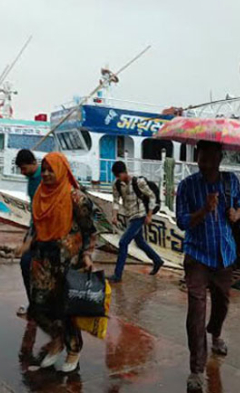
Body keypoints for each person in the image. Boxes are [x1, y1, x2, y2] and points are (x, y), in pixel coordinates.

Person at [175, 140, 240, 392]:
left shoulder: (231, 182)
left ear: (220, 158)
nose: (206, 164)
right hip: (197, 256)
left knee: (222, 303)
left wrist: (236, 213)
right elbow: (182, 222)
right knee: (196, 309)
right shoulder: (187, 186)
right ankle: (196, 369)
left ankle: (215, 333)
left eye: (211, 159)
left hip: (225, 255)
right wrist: (204, 210)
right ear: (197, 158)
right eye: (202, 159)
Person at [29, 152, 97, 373]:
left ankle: (74, 347)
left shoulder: (77, 198)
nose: (47, 174)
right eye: (44, 169)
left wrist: (87, 254)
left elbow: (91, 231)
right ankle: (57, 340)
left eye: (52, 169)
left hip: (69, 261)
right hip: (42, 259)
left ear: (62, 170)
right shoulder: (40, 195)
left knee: (66, 308)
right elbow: (35, 226)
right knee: (38, 305)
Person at [108, 161, 163, 283]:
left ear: (125, 172)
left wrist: (149, 215)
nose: (118, 178)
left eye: (119, 175)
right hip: (130, 216)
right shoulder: (116, 185)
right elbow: (116, 201)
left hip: (140, 215)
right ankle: (157, 260)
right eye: (116, 176)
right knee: (140, 241)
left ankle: (117, 275)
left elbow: (152, 196)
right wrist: (114, 216)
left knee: (123, 242)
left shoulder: (138, 182)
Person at [15, 149, 42, 319]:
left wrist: (30, 241)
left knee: (29, 263)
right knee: (26, 264)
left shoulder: (43, 178)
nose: (22, 173)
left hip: (47, 230)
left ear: (33, 163)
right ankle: (34, 304)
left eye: (24, 168)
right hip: (35, 226)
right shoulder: (31, 179)